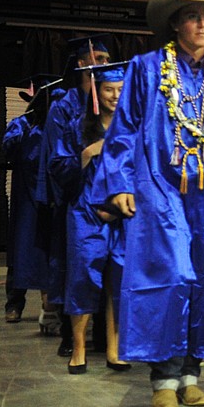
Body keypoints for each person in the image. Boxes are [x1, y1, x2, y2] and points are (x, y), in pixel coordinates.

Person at [95, 0, 204, 407]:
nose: (202, 23)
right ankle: (163, 377)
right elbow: (124, 131)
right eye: (192, 15)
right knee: (171, 274)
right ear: (175, 22)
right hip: (159, 187)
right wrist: (120, 183)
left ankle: (191, 375)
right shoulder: (147, 71)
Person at [38, 35, 112, 356]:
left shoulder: (115, 103)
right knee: (74, 265)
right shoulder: (63, 106)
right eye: (96, 57)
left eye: (107, 59)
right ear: (81, 63)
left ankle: (107, 335)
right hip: (73, 197)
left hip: (110, 201)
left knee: (108, 268)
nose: (102, 63)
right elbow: (54, 160)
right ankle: (71, 335)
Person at [64, 63, 129, 374]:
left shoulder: (133, 128)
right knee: (83, 278)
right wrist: (88, 153)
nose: (115, 96)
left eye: (119, 90)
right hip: (86, 213)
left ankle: (114, 349)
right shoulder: (78, 127)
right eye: (108, 90)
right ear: (96, 91)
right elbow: (58, 169)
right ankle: (79, 347)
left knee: (119, 280)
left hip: (123, 216)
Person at [3, 75, 58, 323]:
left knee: (48, 252)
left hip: (48, 199)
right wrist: (26, 125)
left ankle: (51, 305)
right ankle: (14, 304)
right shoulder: (21, 125)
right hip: (25, 201)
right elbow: (8, 149)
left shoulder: (55, 126)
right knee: (21, 252)